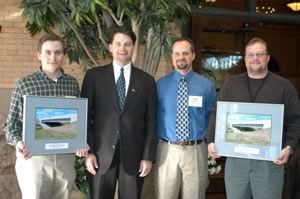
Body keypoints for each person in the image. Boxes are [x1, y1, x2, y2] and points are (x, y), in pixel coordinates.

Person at [208, 37, 300, 199]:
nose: (254, 58)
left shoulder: (284, 86)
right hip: (236, 162)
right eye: (250, 55)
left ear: (267, 57)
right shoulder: (231, 84)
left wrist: (288, 147)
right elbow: (217, 114)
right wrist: (211, 141)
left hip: (269, 163)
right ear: (245, 59)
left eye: (259, 54)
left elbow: (295, 121)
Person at [3, 34, 87, 199]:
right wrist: (18, 142)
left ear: (63, 55)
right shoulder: (24, 84)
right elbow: (10, 125)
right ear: (39, 55)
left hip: (65, 160)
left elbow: (77, 122)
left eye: (58, 52)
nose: (53, 57)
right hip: (35, 159)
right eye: (47, 52)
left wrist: (81, 141)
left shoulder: (72, 84)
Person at [81, 27, 157, 199]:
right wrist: (89, 152)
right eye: (118, 44)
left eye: (128, 44)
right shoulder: (93, 77)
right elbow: (85, 117)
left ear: (133, 47)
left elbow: (151, 121)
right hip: (100, 155)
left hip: (134, 157)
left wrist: (147, 157)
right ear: (110, 47)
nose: (123, 48)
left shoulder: (147, 81)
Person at [155, 38, 216, 199]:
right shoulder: (159, 85)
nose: (181, 57)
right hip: (167, 150)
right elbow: (152, 118)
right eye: (177, 53)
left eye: (185, 53)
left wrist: (211, 143)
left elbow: (212, 117)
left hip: (195, 150)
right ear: (172, 56)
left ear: (193, 56)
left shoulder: (206, 86)